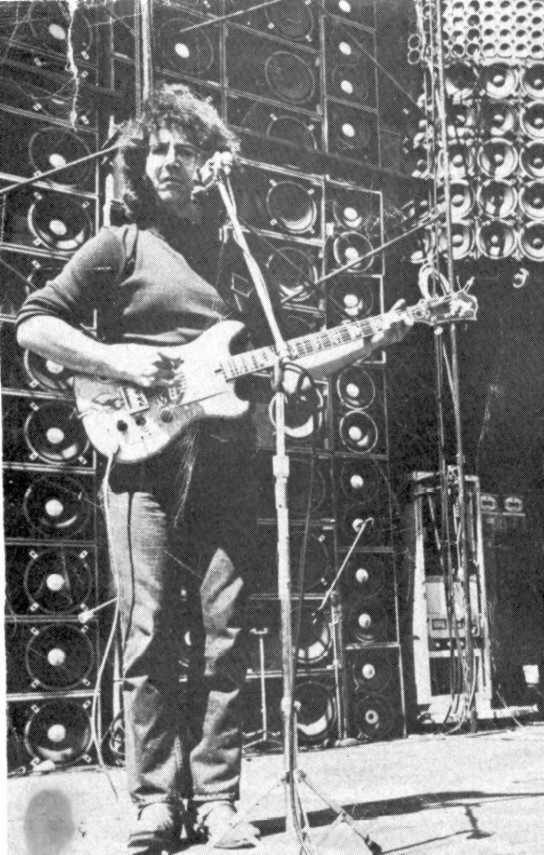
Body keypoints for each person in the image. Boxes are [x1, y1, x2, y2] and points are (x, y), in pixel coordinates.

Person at [15, 84, 410, 852]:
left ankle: (220, 800)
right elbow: (35, 324)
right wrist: (118, 360)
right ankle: (156, 802)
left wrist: (374, 335)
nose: (170, 161)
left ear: (210, 163)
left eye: (185, 150)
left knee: (226, 632)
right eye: (158, 150)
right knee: (150, 631)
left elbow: (289, 360)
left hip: (227, 462)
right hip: (140, 458)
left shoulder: (235, 258)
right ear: (140, 162)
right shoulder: (121, 245)